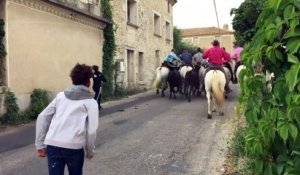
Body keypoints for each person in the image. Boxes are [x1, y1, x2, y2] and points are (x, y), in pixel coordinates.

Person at [35, 63, 99, 175]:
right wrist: (89, 151)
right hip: (74, 147)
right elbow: (91, 130)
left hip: (53, 145)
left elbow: (43, 116)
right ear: (89, 82)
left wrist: (39, 144)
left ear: (73, 80)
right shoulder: (91, 102)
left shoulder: (60, 96)